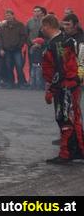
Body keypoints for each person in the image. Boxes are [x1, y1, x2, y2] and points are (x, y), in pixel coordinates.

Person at [40, 14, 84, 164]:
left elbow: (61, 68)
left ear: (47, 26)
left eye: (43, 27)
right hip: (70, 84)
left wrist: (50, 90)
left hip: (65, 86)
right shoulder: (64, 40)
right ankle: (79, 151)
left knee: (64, 118)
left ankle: (66, 153)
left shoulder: (58, 43)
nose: (41, 30)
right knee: (74, 118)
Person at [0, 9, 28, 88]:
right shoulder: (3, 26)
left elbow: (23, 36)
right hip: (7, 50)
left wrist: (19, 45)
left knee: (19, 66)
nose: (8, 17)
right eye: (6, 15)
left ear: (13, 15)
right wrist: (1, 48)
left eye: (9, 15)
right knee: (9, 67)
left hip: (17, 50)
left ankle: (21, 83)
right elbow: (1, 38)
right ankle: (10, 83)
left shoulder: (20, 25)